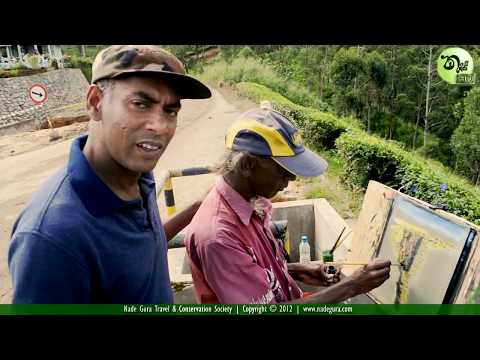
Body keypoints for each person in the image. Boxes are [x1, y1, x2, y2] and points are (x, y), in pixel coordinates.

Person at [8, 45, 212, 303]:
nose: (159, 126)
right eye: (140, 104)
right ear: (95, 103)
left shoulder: (137, 176)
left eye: (170, 111)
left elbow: (138, 250)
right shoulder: (52, 238)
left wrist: (196, 207)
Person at [185, 108, 391, 304]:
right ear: (248, 165)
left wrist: (294, 270)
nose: (291, 178)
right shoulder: (219, 237)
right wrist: (351, 286)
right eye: (283, 170)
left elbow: (250, 270)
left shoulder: (247, 203)